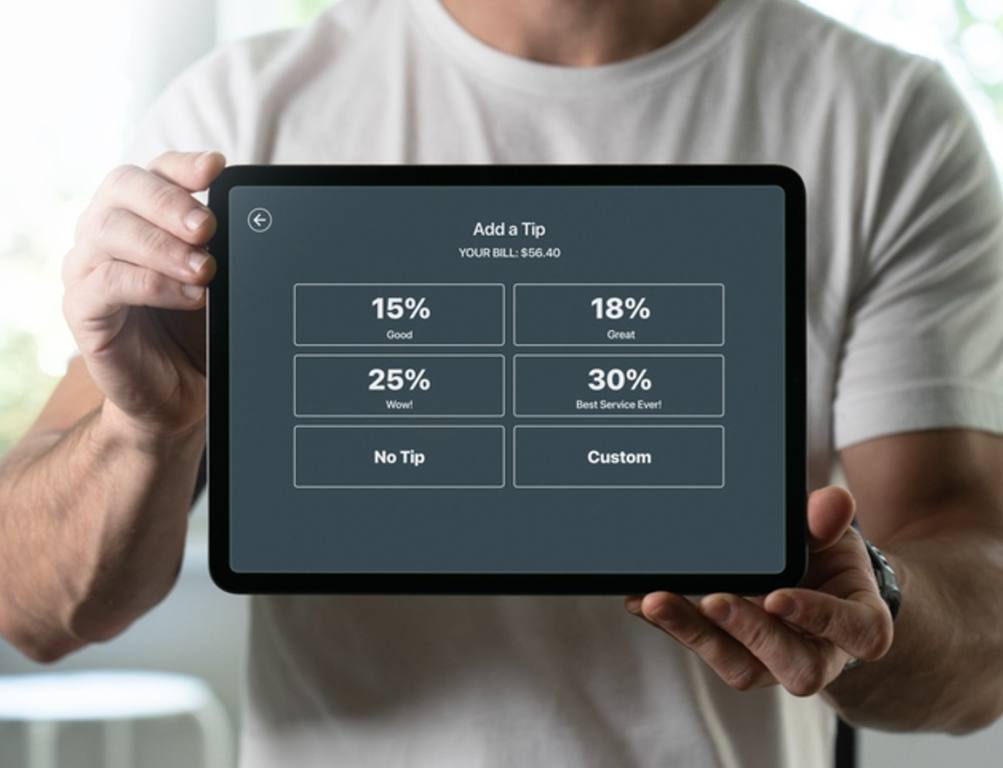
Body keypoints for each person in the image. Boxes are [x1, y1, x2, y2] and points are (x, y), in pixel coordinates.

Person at [3, 0, 1003, 765]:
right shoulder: (235, 116)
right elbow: (34, 606)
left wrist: (873, 603)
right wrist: (146, 435)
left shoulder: (887, 119)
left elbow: (979, 635)